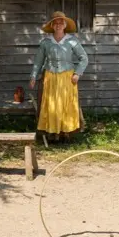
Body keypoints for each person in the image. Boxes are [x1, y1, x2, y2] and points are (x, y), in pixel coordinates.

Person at [29, 11, 88, 143]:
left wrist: (77, 73)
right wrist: (33, 76)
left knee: (66, 104)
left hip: (67, 77)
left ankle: (66, 134)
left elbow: (84, 58)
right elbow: (38, 61)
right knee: (51, 104)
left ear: (65, 25)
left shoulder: (72, 41)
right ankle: (53, 134)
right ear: (52, 25)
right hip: (49, 76)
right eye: (55, 23)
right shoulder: (46, 42)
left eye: (61, 22)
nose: (58, 25)